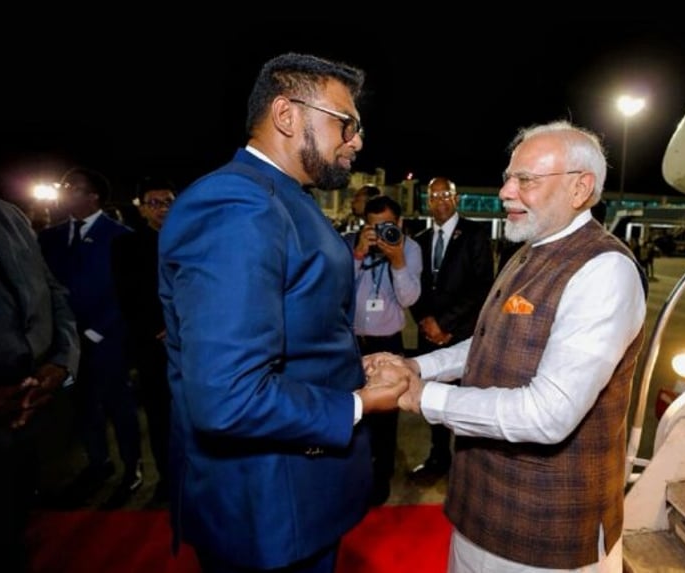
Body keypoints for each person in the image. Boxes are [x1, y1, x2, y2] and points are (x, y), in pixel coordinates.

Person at [157, 52, 407, 573]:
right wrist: (357, 405)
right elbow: (228, 396)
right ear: (287, 115)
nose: (357, 141)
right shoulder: (237, 204)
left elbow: (296, 327)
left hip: (295, 499)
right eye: (347, 124)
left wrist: (345, 371)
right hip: (268, 511)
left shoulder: (284, 198)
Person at [366, 120, 648, 572]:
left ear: (580, 188)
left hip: (545, 532)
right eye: (508, 177)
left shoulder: (603, 270)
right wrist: (418, 367)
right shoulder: (529, 249)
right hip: (479, 510)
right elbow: (487, 342)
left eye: (525, 180)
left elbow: (548, 413)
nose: (505, 192)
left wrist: (421, 396)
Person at [37, 166, 144, 508]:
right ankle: (99, 463)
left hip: (106, 342)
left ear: (93, 196)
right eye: (64, 185)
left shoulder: (120, 236)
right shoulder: (49, 238)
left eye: (73, 187)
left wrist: (96, 332)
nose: (65, 190)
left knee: (119, 408)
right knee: (83, 410)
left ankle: (132, 468)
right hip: (66, 347)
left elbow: (127, 294)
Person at [0, 196, 80, 572]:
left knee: (12, 528)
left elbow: (53, 292)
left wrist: (61, 363)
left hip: (27, 411)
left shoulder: (7, 214)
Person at [407, 176, 494, 481]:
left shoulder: (475, 234)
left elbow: (483, 287)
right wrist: (425, 321)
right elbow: (411, 288)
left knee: (465, 403)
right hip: (428, 335)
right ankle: (437, 457)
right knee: (432, 400)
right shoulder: (418, 240)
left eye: (446, 194)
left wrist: (445, 325)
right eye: (434, 195)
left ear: (456, 199)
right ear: (427, 202)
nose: (440, 200)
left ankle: (467, 465)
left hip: (462, 337)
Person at [344, 194, 422, 505]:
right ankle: (355, 473)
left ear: (399, 224)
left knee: (386, 418)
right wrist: (359, 254)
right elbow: (337, 289)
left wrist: (398, 261)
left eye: (387, 226)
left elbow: (409, 299)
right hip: (352, 341)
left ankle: (381, 477)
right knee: (353, 412)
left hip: (387, 343)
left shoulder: (410, 249)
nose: (380, 233)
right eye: (373, 226)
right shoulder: (352, 245)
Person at [110, 175, 176, 506]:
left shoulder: (195, 241)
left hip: (194, 345)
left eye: (168, 202)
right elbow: (127, 296)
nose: (162, 209)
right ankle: (166, 477)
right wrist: (158, 328)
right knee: (159, 415)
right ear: (143, 209)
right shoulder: (126, 246)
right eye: (155, 203)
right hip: (151, 346)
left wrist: (179, 325)